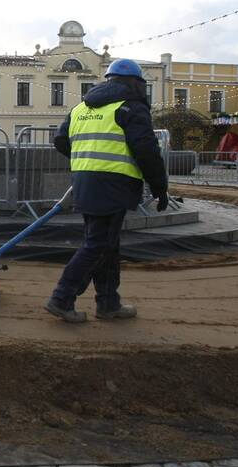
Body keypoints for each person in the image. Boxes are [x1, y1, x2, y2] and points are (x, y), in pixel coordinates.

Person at [45, 59, 169, 323]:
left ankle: (108, 303)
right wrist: (160, 187)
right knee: (98, 245)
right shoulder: (131, 107)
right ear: (136, 83)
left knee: (106, 246)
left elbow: (59, 140)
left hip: (85, 181)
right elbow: (146, 151)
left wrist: (86, 161)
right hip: (114, 183)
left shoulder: (81, 108)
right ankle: (62, 298)